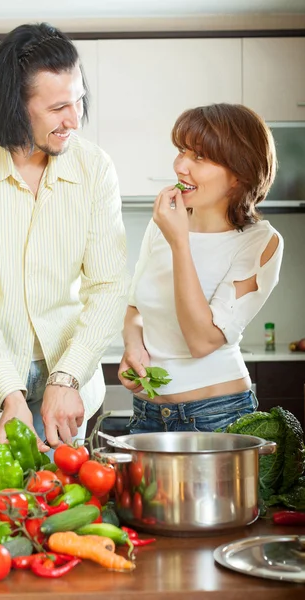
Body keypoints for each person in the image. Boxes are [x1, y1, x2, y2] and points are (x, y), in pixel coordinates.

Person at [0, 23, 129, 471]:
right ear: (15, 107)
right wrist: (8, 393)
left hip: (69, 389)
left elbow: (109, 286)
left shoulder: (95, 168)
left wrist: (66, 375)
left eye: (78, 100)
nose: (74, 120)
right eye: (58, 107)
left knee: (66, 521)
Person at [119, 103, 283, 434]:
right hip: (147, 415)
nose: (180, 166)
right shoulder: (163, 224)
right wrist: (133, 347)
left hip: (215, 416)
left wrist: (180, 243)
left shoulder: (260, 242)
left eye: (199, 157)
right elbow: (135, 308)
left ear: (239, 173)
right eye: (181, 151)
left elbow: (202, 340)